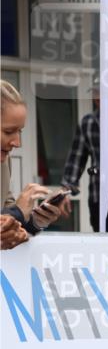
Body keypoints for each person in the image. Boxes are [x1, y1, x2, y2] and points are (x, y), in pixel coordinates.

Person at [62, 87, 108, 232]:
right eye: (95, 93)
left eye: (102, 93)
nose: (98, 97)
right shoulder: (87, 122)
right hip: (97, 191)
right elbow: (77, 157)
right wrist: (66, 189)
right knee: (101, 240)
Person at [1, 79, 63, 238]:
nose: (17, 142)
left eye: (19, 131)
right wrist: (17, 211)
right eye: (8, 131)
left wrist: (35, 221)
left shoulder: (4, 162)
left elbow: (6, 221)